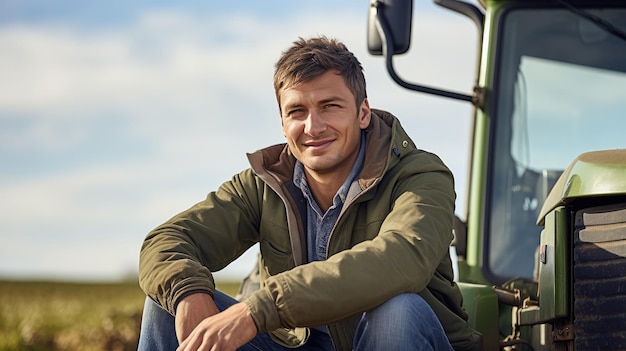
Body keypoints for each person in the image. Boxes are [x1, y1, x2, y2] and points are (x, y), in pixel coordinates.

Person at [137, 36, 482, 351]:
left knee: (397, 311)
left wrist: (260, 308)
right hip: (294, 345)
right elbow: (167, 239)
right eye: (297, 112)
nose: (313, 127)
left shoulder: (420, 174)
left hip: (389, 340)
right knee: (166, 302)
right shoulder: (263, 184)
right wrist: (189, 293)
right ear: (283, 123)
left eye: (330, 106)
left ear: (362, 113)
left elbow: (402, 258)